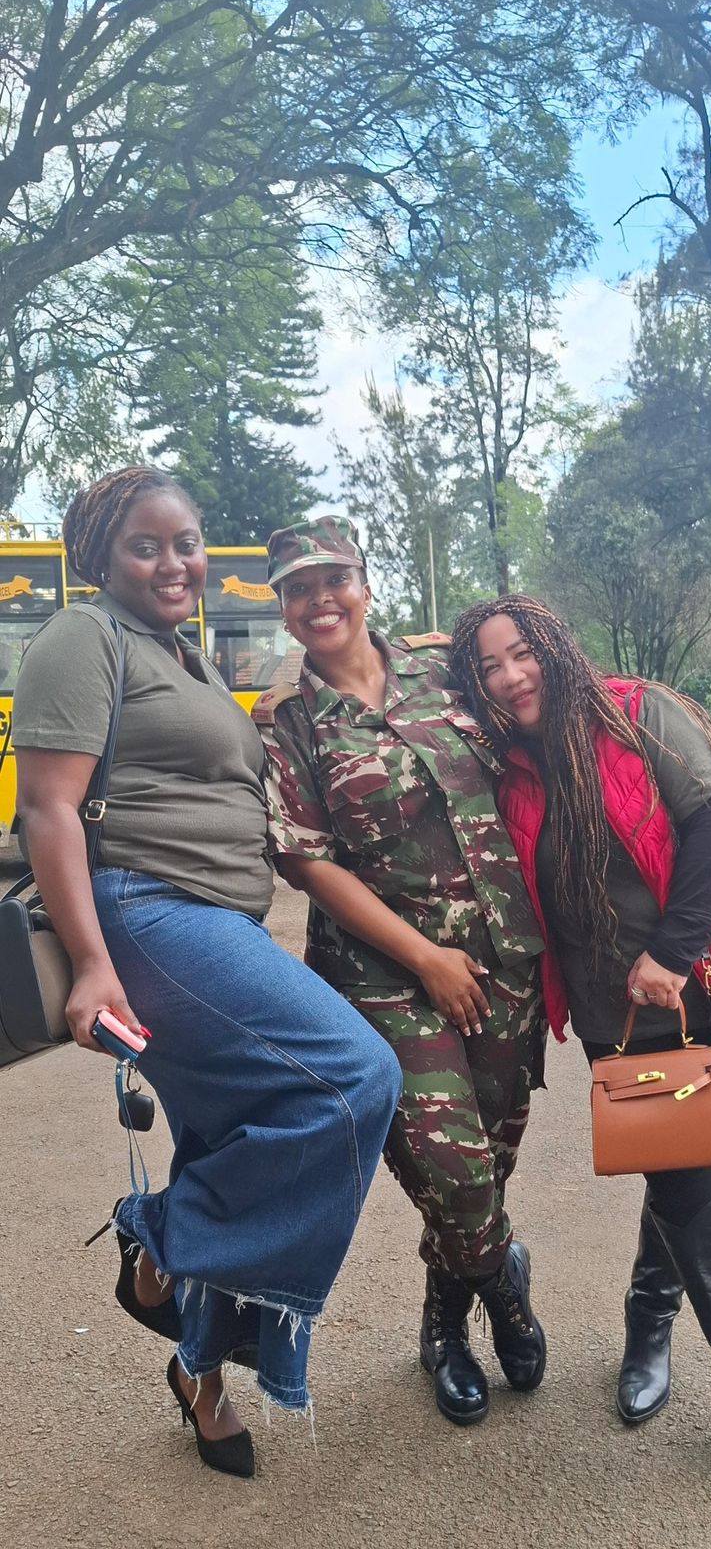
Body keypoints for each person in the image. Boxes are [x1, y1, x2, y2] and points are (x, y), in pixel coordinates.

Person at [12, 468, 401, 1478]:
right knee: (354, 1076)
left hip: (215, 921)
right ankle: (159, 1238)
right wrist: (92, 965)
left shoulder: (181, 659)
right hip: (149, 912)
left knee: (233, 1139)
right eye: (145, 545)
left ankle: (200, 1373)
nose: (174, 562)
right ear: (101, 556)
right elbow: (48, 808)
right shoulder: (82, 636)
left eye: (185, 541)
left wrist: (406, 658)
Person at [450, 593, 711, 1508]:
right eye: (488, 667)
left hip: (694, 992)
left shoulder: (637, 712)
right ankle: (649, 1327)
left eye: (523, 653)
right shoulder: (514, 768)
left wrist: (673, 953)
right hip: (610, 1014)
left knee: (684, 1182)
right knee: (678, 1168)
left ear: (555, 647)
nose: (510, 677)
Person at [256, 517, 549, 1427]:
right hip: (385, 974)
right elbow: (306, 861)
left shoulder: (445, 670)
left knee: (488, 1159)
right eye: (299, 589)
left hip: (503, 956)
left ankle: (442, 1326)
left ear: (365, 583)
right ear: (284, 608)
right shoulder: (289, 724)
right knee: (449, 1166)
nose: (321, 599)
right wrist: (424, 957)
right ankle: (502, 1285)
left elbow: (536, 731)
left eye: (334, 578)